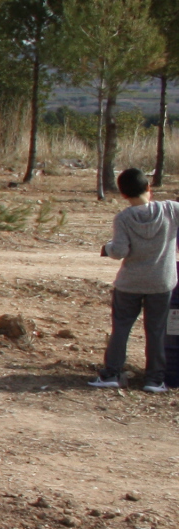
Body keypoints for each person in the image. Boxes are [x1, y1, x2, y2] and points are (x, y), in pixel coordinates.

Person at [91, 167, 179, 392]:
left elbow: (120, 250)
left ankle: (111, 374)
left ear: (123, 195)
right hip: (161, 282)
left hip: (130, 284)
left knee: (121, 328)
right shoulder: (170, 209)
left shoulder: (123, 218)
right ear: (149, 187)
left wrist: (106, 249)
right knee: (157, 330)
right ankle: (154, 380)